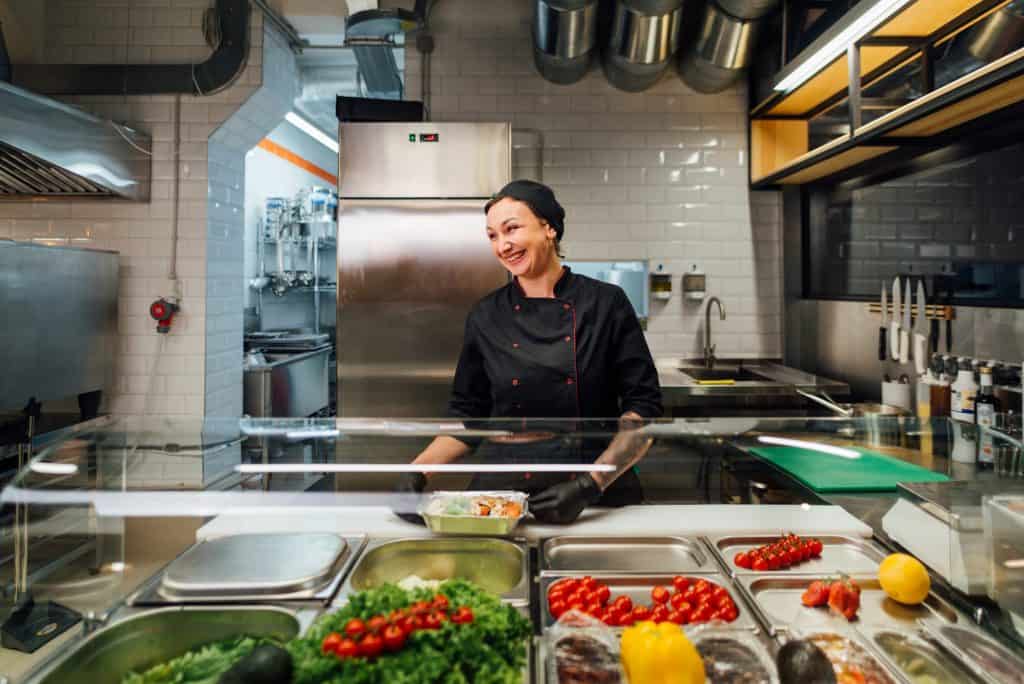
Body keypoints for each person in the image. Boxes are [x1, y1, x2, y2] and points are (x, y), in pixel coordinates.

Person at [400, 180, 663, 523]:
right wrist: (417, 472)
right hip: (504, 492)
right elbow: (468, 414)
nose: (502, 245)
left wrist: (589, 484)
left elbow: (643, 410)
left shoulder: (605, 303)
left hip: (593, 493)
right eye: (492, 235)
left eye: (512, 229)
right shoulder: (486, 314)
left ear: (549, 228)